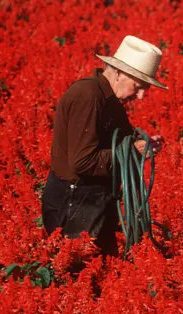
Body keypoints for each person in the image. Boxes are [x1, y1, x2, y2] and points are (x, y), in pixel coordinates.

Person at [42, 36, 167, 256]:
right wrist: (131, 151)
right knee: (80, 269)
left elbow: (124, 141)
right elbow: (83, 162)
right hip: (74, 202)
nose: (140, 96)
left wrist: (143, 146)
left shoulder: (111, 102)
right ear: (119, 72)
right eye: (137, 87)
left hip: (96, 198)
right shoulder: (88, 96)